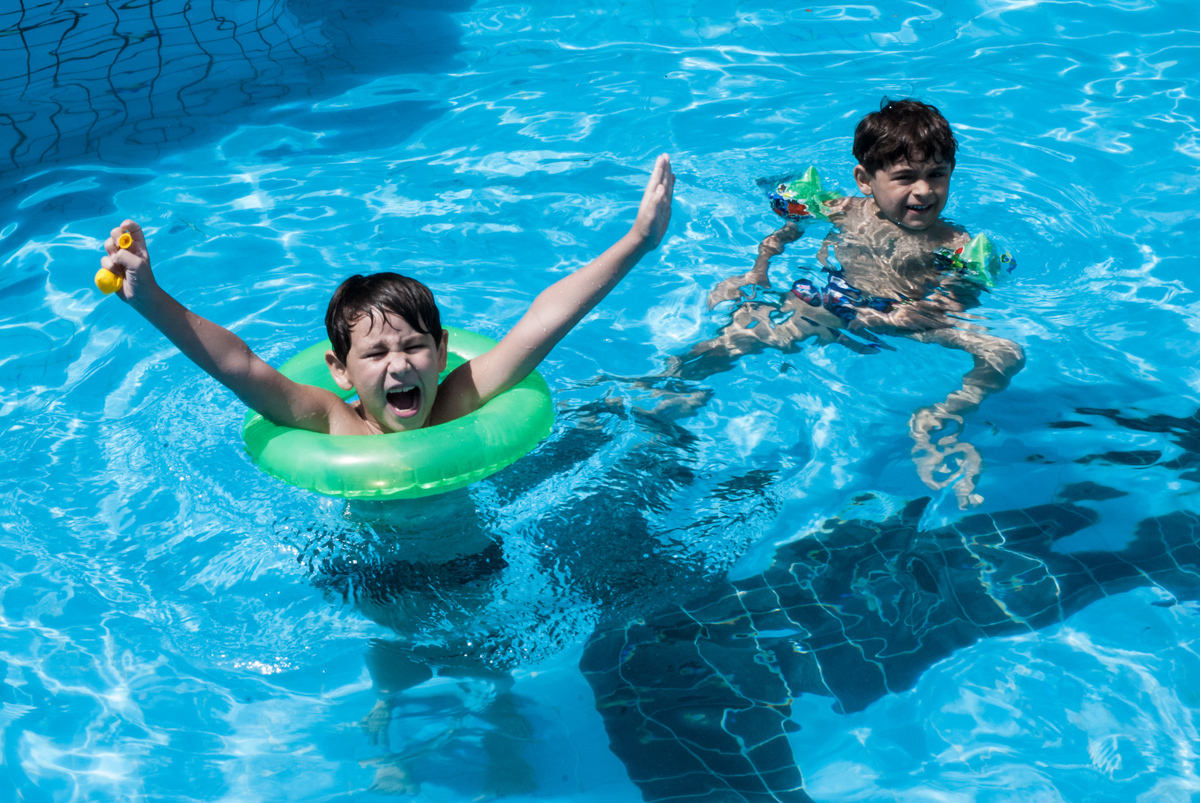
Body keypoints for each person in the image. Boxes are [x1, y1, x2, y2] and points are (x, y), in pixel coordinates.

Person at [97, 153, 674, 437]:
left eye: (414, 346)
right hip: (367, 572)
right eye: (374, 353)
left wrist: (637, 242)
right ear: (340, 370)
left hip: (474, 562)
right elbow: (240, 366)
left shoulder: (455, 399)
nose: (398, 365)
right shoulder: (334, 423)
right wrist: (152, 301)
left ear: (441, 353)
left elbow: (541, 322)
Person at [666, 99, 1024, 508]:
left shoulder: (954, 244)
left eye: (937, 175)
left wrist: (916, 314)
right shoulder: (843, 211)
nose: (924, 190)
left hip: (900, 316)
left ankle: (941, 415)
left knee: (1005, 353)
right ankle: (665, 390)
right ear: (864, 180)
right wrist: (756, 271)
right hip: (830, 302)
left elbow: (961, 293)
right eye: (905, 177)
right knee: (738, 335)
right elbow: (786, 231)